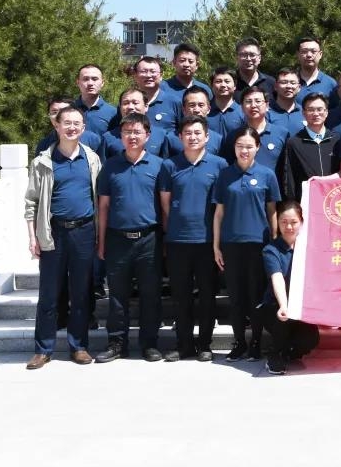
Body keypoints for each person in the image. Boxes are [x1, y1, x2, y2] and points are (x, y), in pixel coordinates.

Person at [24, 107, 101, 369]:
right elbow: (31, 203)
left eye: (77, 123)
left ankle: (78, 346)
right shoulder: (43, 162)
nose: (72, 128)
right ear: (56, 126)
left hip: (84, 232)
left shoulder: (92, 159)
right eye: (66, 123)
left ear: (83, 128)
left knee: (81, 293)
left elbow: (98, 198)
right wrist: (33, 237)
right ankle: (43, 349)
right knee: (49, 294)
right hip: (53, 232)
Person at [95, 113, 166, 363]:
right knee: (117, 295)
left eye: (137, 132)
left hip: (149, 238)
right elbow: (103, 206)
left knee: (150, 294)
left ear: (147, 135)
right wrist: (101, 241)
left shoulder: (159, 166)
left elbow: (165, 206)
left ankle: (149, 344)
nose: (132, 136)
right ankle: (117, 343)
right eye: (127, 132)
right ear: (121, 136)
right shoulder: (110, 166)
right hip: (117, 239)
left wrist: (166, 238)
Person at [158, 115, 227, 362]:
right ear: (180, 137)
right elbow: (165, 204)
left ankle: (205, 344)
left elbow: (221, 206)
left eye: (197, 133)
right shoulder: (170, 165)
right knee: (181, 296)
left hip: (207, 241)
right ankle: (184, 345)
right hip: (178, 241)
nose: (192, 137)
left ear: (207, 137)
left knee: (207, 295)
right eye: (187, 133)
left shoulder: (219, 165)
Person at [213, 127, 281, 361]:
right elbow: (218, 213)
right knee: (236, 297)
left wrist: (273, 241)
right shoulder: (225, 175)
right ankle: (239, 342)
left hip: (258, 244)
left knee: (255, 297)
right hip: (231, 244)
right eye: (240, 146)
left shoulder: (267, 175)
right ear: (234, 147)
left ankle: (256, 343)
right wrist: (216, 245)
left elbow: (272, 211)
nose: (244, 150)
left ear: (258, 147)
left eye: (249, 146)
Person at [260, 201, 321, 375]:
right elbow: (277, 277)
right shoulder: (271, 250)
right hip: (276, 306)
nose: (288, 227)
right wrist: (283, 305)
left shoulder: (310, 247)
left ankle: (288, 352)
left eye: (293, 222)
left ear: (302, 222)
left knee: (311, 339)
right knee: (283, 321)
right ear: (277, 222)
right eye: (284, 222)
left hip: (301, 307)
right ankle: (275, 354)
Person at [277, 93, 340, 201]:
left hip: (334, 198)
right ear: (303, 113)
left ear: (326, 112)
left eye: (320, 109)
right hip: (306, 201)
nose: (316, 114)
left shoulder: (336, 139)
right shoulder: (294, 142)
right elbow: (289, 178)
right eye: (311, 110)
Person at [220, 88, 291, 171]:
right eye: (248, 101)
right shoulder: (233, 135)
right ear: (242, 107)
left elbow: (286, 169)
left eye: (258, 101)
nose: (253, 105)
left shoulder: (281, 133)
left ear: (267, 106)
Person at [100, 88, 167, 158]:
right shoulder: (108, 138)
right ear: (120, 107)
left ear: (146, 106)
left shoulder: (161, 135)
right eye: (126, 103)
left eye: (135, 103)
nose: (130, 107)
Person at [163, 87, 223, 158]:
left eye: (201, 105)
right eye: (192, 105)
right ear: (184, 110)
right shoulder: (171, 139)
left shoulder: (218, 139)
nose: (196, 110)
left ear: (208, 109)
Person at [132, 56, 180, 137]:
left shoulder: (174, 102)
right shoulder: (128, 103)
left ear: (161, 75)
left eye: (153, 71)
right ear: (135, 76)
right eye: (143, 71)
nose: (148, 75)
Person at [72, 63, 116, 136]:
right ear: (78, 82)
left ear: (102, 83)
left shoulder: (113, 113)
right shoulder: (68, 109)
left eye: (95, 79)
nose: (90, 83)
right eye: (85, 79)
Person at [295, 34, 337, 102]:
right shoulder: (289, 82)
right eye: (304, 51)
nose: (309, 55)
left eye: (313, 51)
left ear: (320, 54)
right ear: (298, 54)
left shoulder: (330, 84)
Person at [233, 36, 275, 102]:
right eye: (244, 55)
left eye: (252, 55)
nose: (248, 59)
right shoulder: (230, 82)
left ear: (259, 58)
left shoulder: (271, 83)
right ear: (237, 58)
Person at [208, 67, 245, 136]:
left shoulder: (243, 112)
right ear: (211, 86)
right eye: (218, 81)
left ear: (235, 86)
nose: (223, 85)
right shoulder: (205, 111)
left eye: (227, 81)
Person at [268, 67, 306, 133]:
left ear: (299, 88)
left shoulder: (305, 113)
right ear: (276, 86)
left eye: (293, 83)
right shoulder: (266, 112)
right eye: (284, 82)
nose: (289, 86)